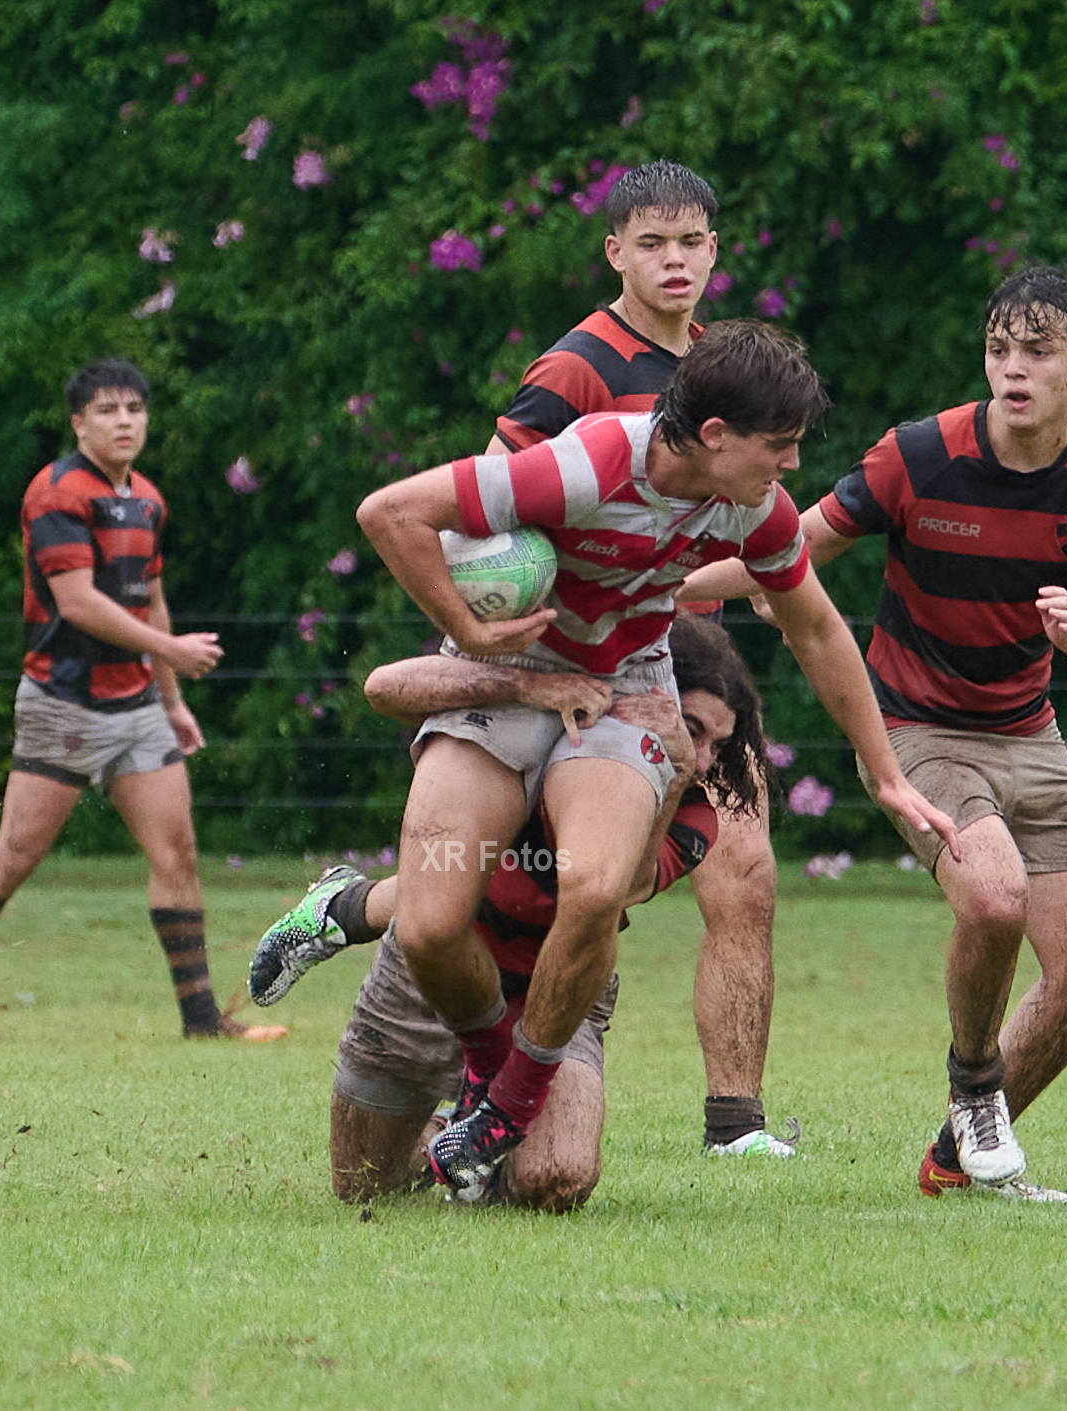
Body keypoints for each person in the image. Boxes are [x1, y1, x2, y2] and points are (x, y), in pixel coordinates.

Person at [353, 319, 958, 1198]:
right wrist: (472, 629)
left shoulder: (752, 505)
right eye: (778, 447)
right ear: (715, 436)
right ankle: (490, 1070)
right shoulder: (586, 465)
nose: (788, 467)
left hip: (624, 686)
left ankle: (510, 1101)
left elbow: (817, 625)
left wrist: (888, 770)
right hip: (503, 671)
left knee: (597, 888)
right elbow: (391, 513)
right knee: (431, 922)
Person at [684, 266, 1067, 1202]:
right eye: (1000, 349)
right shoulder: (919, 455)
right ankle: (979, 1089)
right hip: (917, 730)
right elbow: (792, 548)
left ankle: (955, 1155)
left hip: (1031, 736)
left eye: (1038, 351)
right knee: (993, 899)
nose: (1013, 369)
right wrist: (659, 589)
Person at [487, 159, 791, 1159]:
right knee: (541, 880)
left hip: (682, 653)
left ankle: (734, 1122)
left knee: (743, 865)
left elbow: (752, 526)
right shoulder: (574, 368)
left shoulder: (722, 364)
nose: (674, 260)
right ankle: (374, 925)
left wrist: (732, 582)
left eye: (691, 241)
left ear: (714, 249)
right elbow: (497, 516)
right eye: (651, 243)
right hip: (579, 663)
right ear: (613, 251)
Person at [259, 617, 773, 1208]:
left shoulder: (693, 808)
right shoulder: (524, 736)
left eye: (720, 744)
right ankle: (344, 905)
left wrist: (675, 766)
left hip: (557, 989)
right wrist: (523, 686)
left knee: (554, 1180)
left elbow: (625, 887)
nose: (706, 759)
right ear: (645, 697)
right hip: (436, 973)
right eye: (693, 730)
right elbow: (384, 687)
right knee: (366, 1182)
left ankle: (474, 1150)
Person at [0, 358, 284, 1044]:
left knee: (179, 853)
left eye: (134, 408)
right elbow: (78, 603)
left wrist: (170, 699)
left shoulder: (148, 499)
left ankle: (203, 1021)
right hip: (63, 701)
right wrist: (170, 653)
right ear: (78, 422)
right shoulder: (55, 494)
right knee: (17, 851)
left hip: (135, 704)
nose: (124, 421)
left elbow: (152, 596)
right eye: (107, 410)